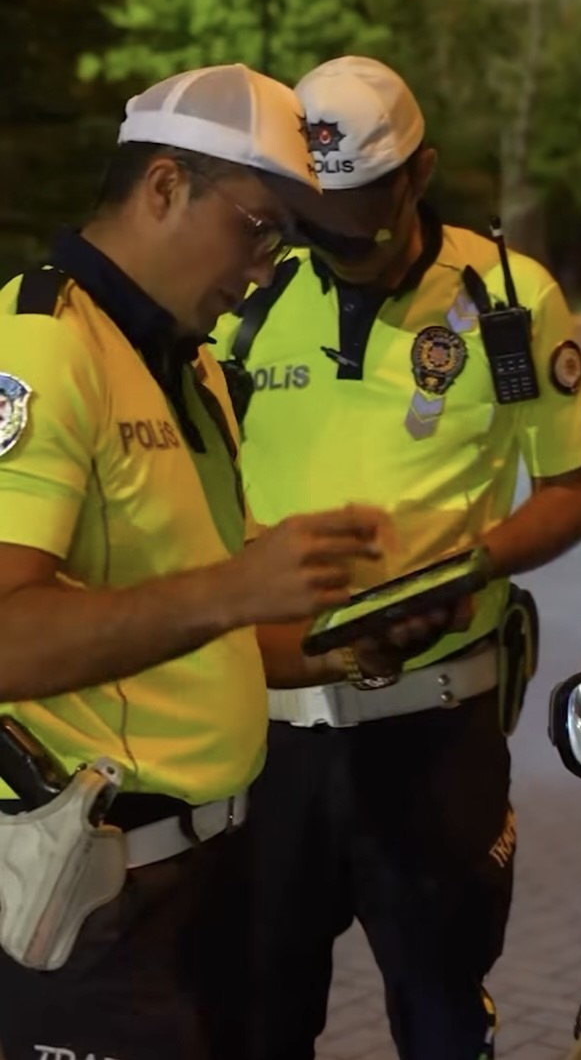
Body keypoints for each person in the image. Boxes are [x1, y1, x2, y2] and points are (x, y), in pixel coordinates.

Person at [0, 62, 401, 1060]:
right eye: (258, 226)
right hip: (96, 907)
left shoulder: (193, 365)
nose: (268, 265)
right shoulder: (42, 346)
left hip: (215, 875)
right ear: (165, 186)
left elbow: (200, 628)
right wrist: (236, 584)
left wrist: (348, 643)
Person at [213, 55, 581, 1060]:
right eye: (316, 219)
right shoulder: (244, 298)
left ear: (420, 173)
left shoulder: (507, 300)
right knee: (257, 1016)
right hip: (264, 740)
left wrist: (472, 565)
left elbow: (568, 492)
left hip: (435, 732)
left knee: (439, 1013)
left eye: (366, 222)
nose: (341, 247)